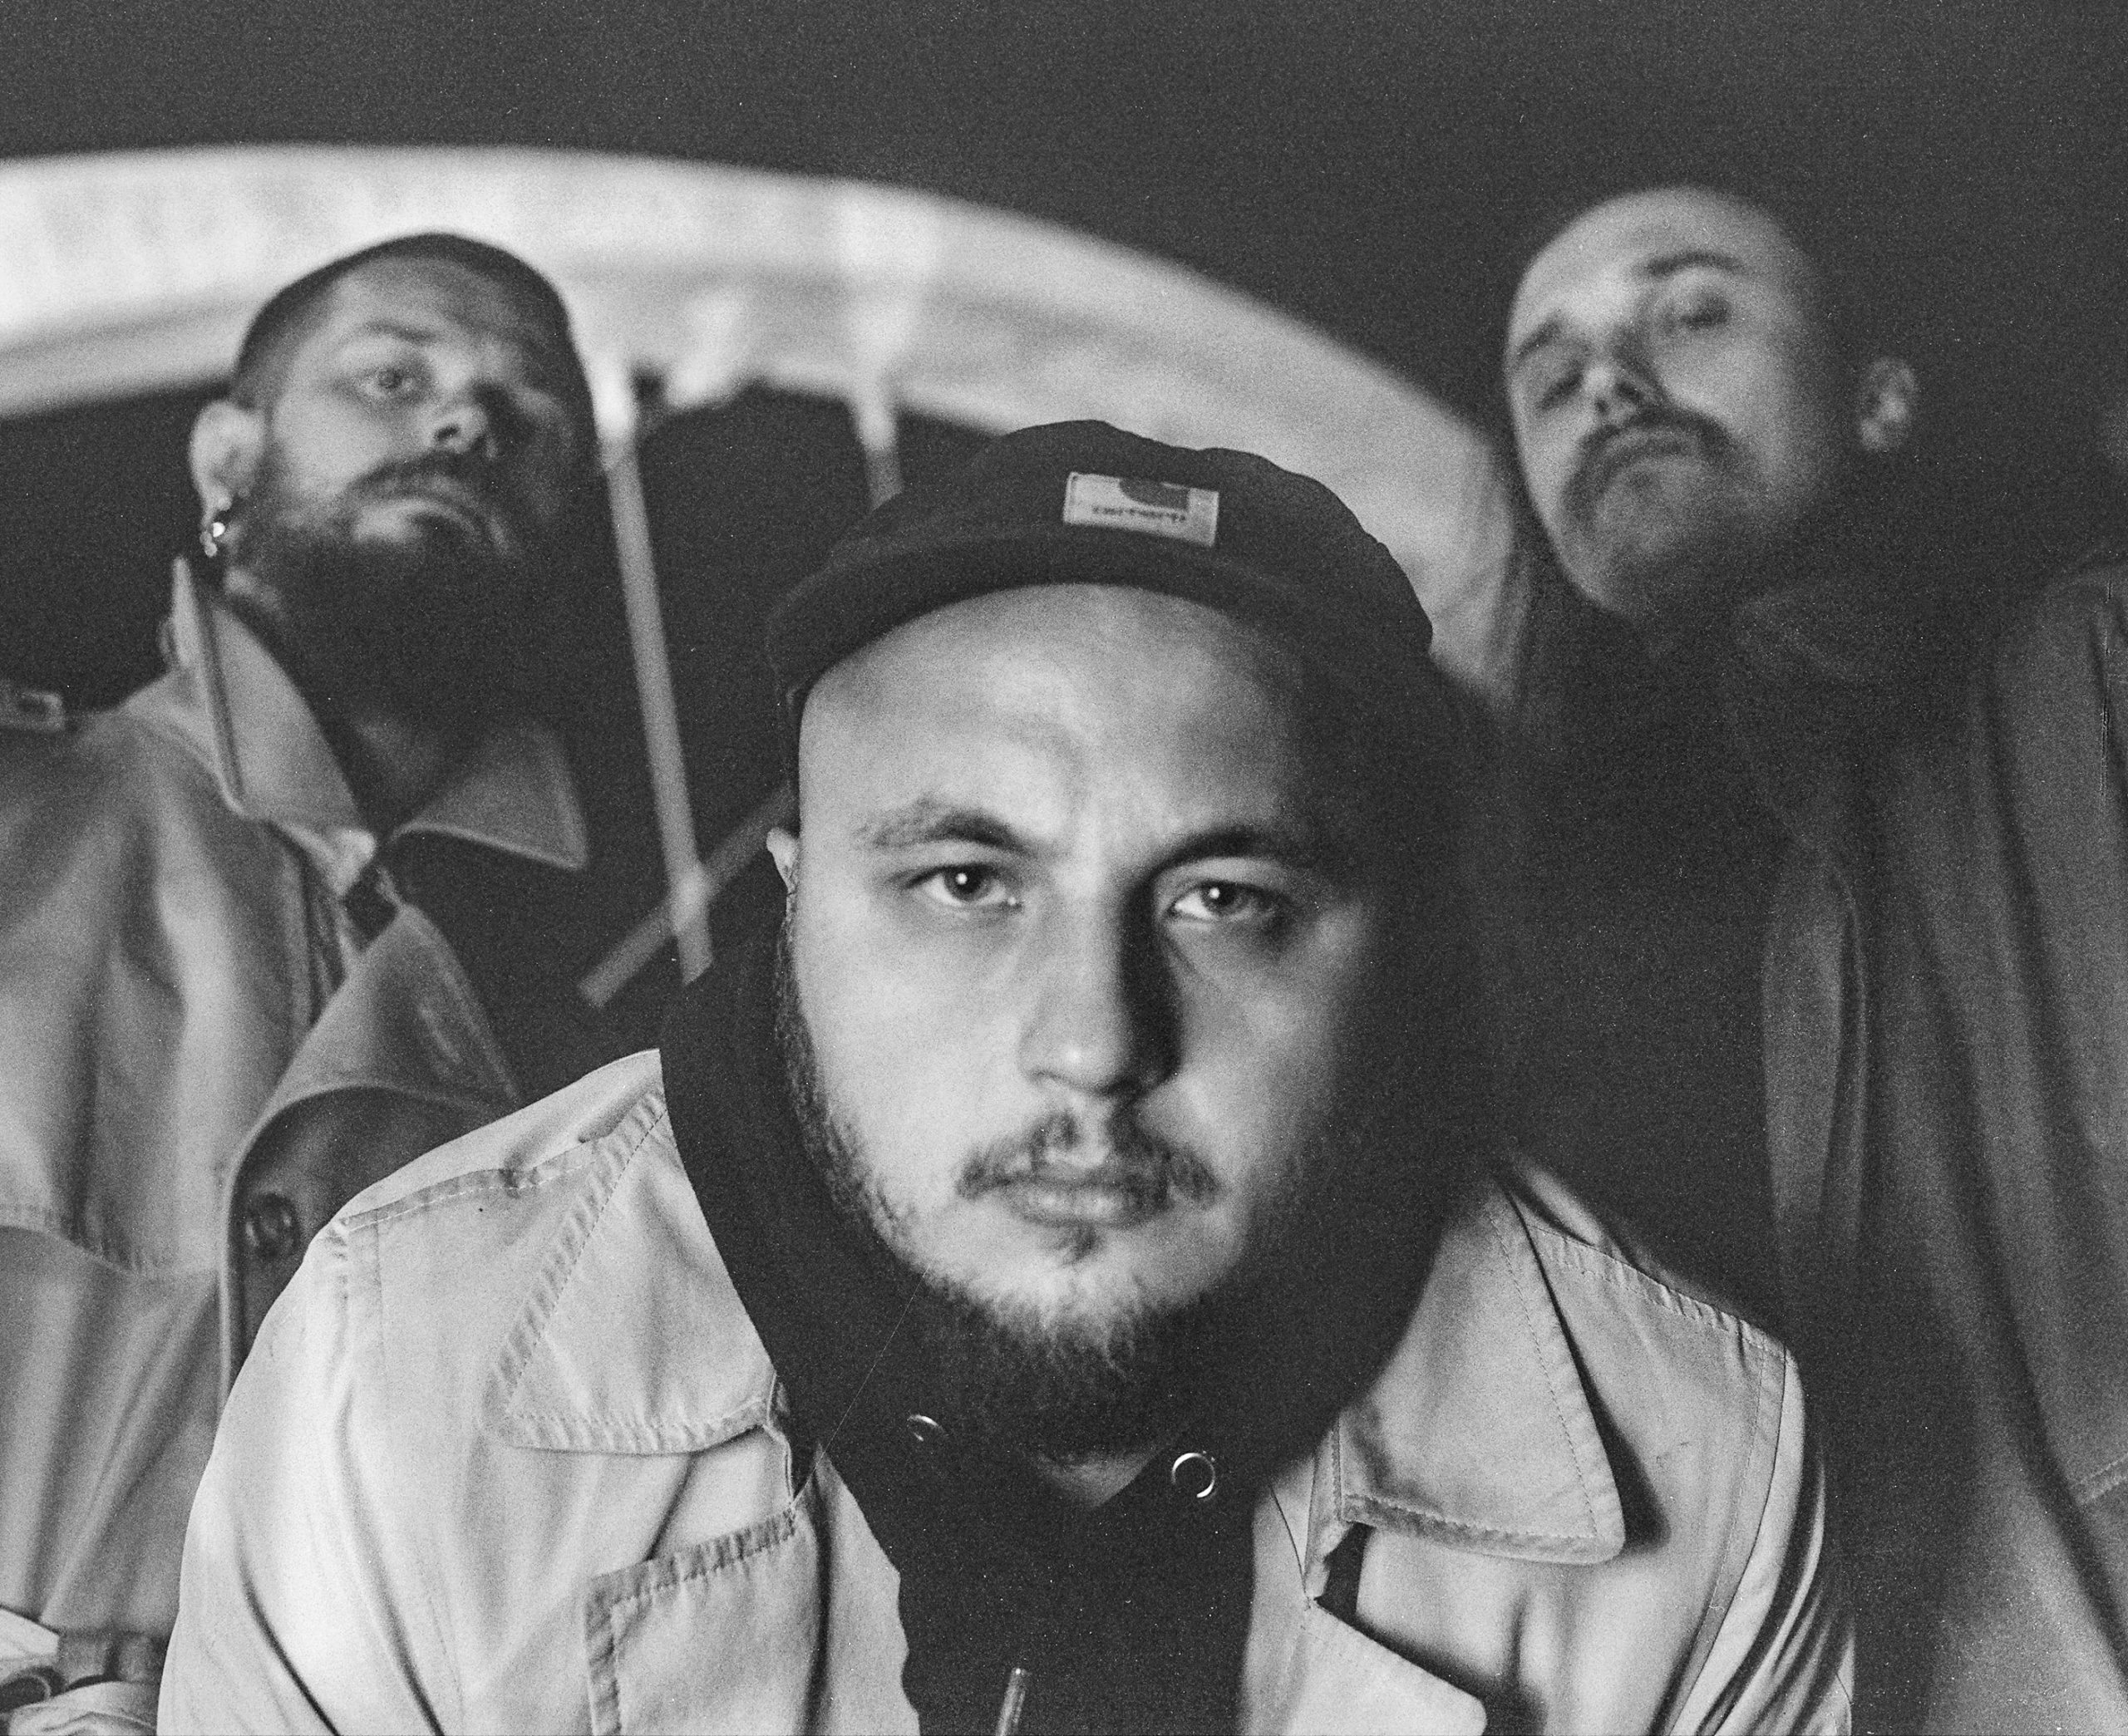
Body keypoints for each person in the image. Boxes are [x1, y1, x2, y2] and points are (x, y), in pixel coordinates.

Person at [160, 422, 1850, 1734]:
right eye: (967, 882)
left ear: (1394, 946)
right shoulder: (399, 1364)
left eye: (1226, 900)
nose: (1093, 1042)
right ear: (793, 909)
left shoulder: (1704, 1457)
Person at [1499, 184, 2128, 1729]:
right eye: (1551, 373)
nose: (1610, 383)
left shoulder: (2092, 677)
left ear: (1880, 401)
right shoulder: (1483, 899)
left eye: (1690, 312)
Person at [0, 234, 617, 1730]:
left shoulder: (601, 1051)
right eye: (393, 377)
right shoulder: (21, 821)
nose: (465, 422)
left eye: (528, 417)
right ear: (229, 456)